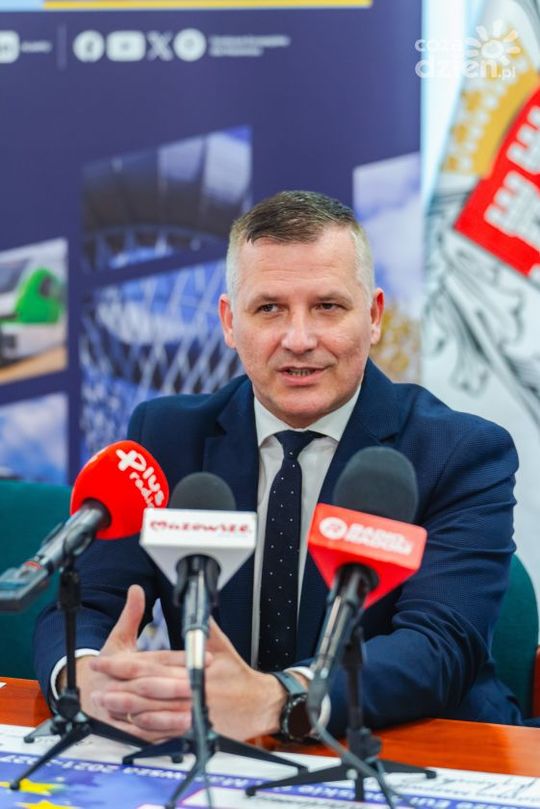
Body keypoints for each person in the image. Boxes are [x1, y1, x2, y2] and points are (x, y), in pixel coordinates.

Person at [34, 190, 523, 742]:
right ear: (229, 322)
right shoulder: (167, 437)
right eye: (269, 309)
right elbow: (88, 603)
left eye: (327, 307)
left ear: (373, 316)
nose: (299, 340)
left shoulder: (460, 452)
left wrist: (280, 698)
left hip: (415, 747)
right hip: (218, 755)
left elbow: (438, 646)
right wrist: (86, 678)